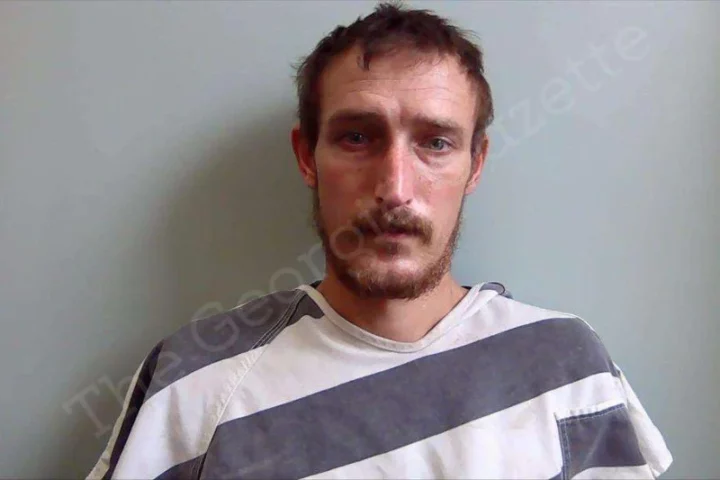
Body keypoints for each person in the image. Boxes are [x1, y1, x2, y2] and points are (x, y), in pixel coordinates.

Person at [88, 3, 673, 479]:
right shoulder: (192, 382)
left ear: (475, 164)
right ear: (306, 156)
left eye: (436, 143)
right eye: (357, 137)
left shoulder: (565, 367)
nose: (395, 189)